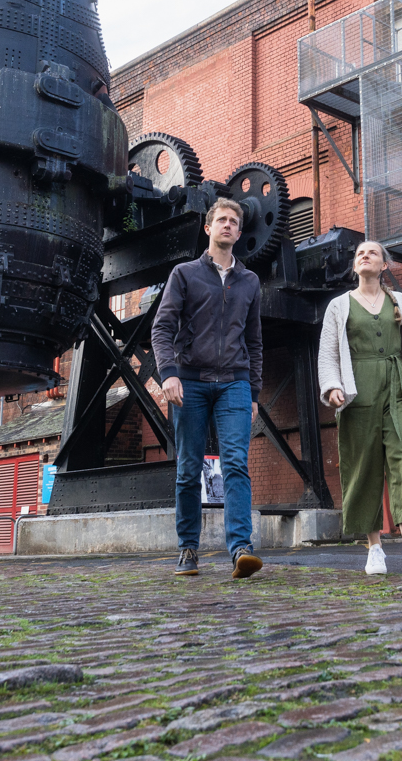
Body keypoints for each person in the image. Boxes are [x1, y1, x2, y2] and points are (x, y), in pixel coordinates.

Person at [152, 197, 263, 580]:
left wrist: (253, 394)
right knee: (187, 469)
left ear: (239, 230)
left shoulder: (250, 281)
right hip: (191, 384)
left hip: (234, 383)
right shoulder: (184, 274)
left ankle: (241, 549)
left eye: (234, 221)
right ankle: (188, 549)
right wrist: (168, 373)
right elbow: (161, 328)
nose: (229, 225)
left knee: (235, 464)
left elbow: (255, 341)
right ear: (208, 227)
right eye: (222, 220)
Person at [318, 240, 402, 576]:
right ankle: (374, 548)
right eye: (358, 254)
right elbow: (327, 353)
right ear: (354, 267)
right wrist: (332, 387)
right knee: (364, 467)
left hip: (396, 385)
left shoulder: (399, 301)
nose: (364, 255)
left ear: (384, 264)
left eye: (372, 252)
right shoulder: (339, 306)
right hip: (359, 389)